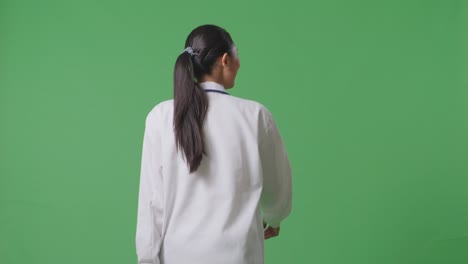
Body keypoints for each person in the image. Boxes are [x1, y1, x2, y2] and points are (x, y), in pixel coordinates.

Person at [135, 24, 292, 264]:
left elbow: (151, 201)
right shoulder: (255, 116)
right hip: (240, 256)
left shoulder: (160, 116)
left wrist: (147, 259)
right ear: (225, 60)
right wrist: (274, 216)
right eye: (237, 56)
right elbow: (277, 189)